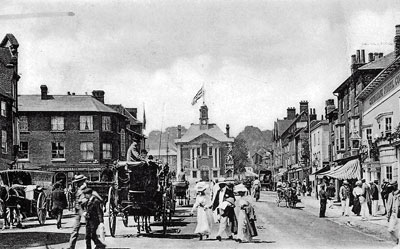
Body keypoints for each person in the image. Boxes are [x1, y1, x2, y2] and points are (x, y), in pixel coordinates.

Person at [68, 174, 88, 249]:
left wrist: (80, 201)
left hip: (84, 211)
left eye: (78, 182)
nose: (76, 183)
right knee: (75, 229)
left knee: (87, 231)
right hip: (78, 211)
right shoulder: (78, 189)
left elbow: (85, 200)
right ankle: (71, 247)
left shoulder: (84, 189)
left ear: (81, 182)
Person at [386, 181, 400, 245]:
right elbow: (389, 206)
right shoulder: (390, 194)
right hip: (393, 214)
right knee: (390, 229)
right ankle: (397, 239)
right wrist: (388, 216)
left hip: (399, 214)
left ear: (396, 186)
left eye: (392, 186)